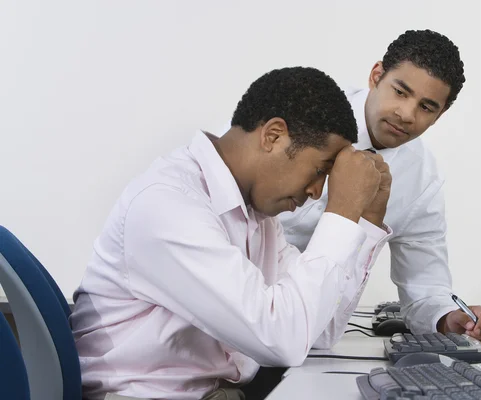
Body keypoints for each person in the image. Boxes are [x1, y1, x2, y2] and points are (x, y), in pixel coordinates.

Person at [69, 66, 392, 400]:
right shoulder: (167, 204)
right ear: (273, 136)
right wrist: (340, 214)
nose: (316, 190)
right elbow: (282, 340)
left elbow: (317, 330)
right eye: (320, 170)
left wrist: (366, 220)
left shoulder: (259, 216)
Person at [279, 30, 481, 347]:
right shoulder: (296, 114)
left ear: (441, 114)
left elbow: (425, 286)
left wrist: (450, 319)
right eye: (400, 91)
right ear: (376, 75)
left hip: (312, 334)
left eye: (426, 107)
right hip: (239, 310)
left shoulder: (423, 180)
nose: (406, 114)